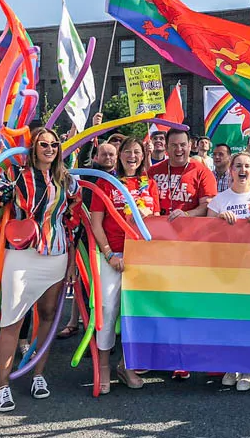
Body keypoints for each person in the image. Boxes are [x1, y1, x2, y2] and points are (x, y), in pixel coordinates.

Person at [0, 128, 80, 412]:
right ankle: (3, 384)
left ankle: (38, 374)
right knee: (11, 317)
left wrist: (72, 260)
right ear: (33, 147)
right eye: (43, 144)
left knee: (49, 316)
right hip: (21, 254)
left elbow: (72, 222)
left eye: (54, 143)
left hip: (56, 254)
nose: (49, 148)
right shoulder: (15, 175)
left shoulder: (69, 181)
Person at [91, 137, 160, 394]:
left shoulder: (149, 184)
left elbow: (156, 220)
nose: (133, 156)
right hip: (114, 255)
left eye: (137, 152)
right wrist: (109, 254)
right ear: (119, 155)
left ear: (143, 156)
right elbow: (96, 224)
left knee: (135, 313)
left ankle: (127, 365)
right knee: (108, 310)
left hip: (142, 258)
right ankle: (104, 367)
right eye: (128, 152)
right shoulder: (107, 184)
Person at [208, 152, 250, 392]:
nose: (242, 169)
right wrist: (219, 221)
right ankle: (231, 365)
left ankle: (247, 368)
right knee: (229, 317)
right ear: (230, 171)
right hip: (227, 267)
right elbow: (206, 235)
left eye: (247, 165)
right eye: (238, 166)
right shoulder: (219, 200)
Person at [57, 142, 118, 340]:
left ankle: (108, 335)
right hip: (89, 237)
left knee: (109, 292)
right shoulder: (91, 173)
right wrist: (91, 133)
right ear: (97, 157)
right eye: (104, 154)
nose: (108, 158)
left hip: (116, 240)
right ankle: (89, 335)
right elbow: (83, 157)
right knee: (87, 286)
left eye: (112, 154)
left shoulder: (121, 178)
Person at [148, 129, 217, 220]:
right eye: (174, 145)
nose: (179, 149)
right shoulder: (153, 171)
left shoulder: (202, 172)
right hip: (158, 229)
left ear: (189, 145)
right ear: (166, 147)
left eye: (183, 145)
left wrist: (187, 214)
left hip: (189, 229)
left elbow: (207, 205)